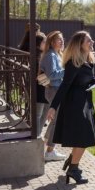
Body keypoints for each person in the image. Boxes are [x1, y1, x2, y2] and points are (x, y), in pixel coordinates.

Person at [46, 31, 95, 185]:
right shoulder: (73, 63)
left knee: (84, 136)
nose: (91, 43)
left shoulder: (88, 60)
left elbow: (88, 79)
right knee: (84, 137)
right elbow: (65, 86)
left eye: (91, 41)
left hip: (85, 102)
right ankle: (73, 168)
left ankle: (73, 160)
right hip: (74, 104)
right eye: (88, 41)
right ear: (79, 45)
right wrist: (53, 107)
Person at [39, 30, 67, 162]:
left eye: (62, 39)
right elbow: (52, 75)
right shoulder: (50, 56)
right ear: (52, 42)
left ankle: (48, 146)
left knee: (56, 120)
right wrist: (67, 70)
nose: (61, 41)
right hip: (53, 90)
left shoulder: (56, 54)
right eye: (58, 39)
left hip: (56, 89)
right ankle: (49, 151)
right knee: (56, 120)